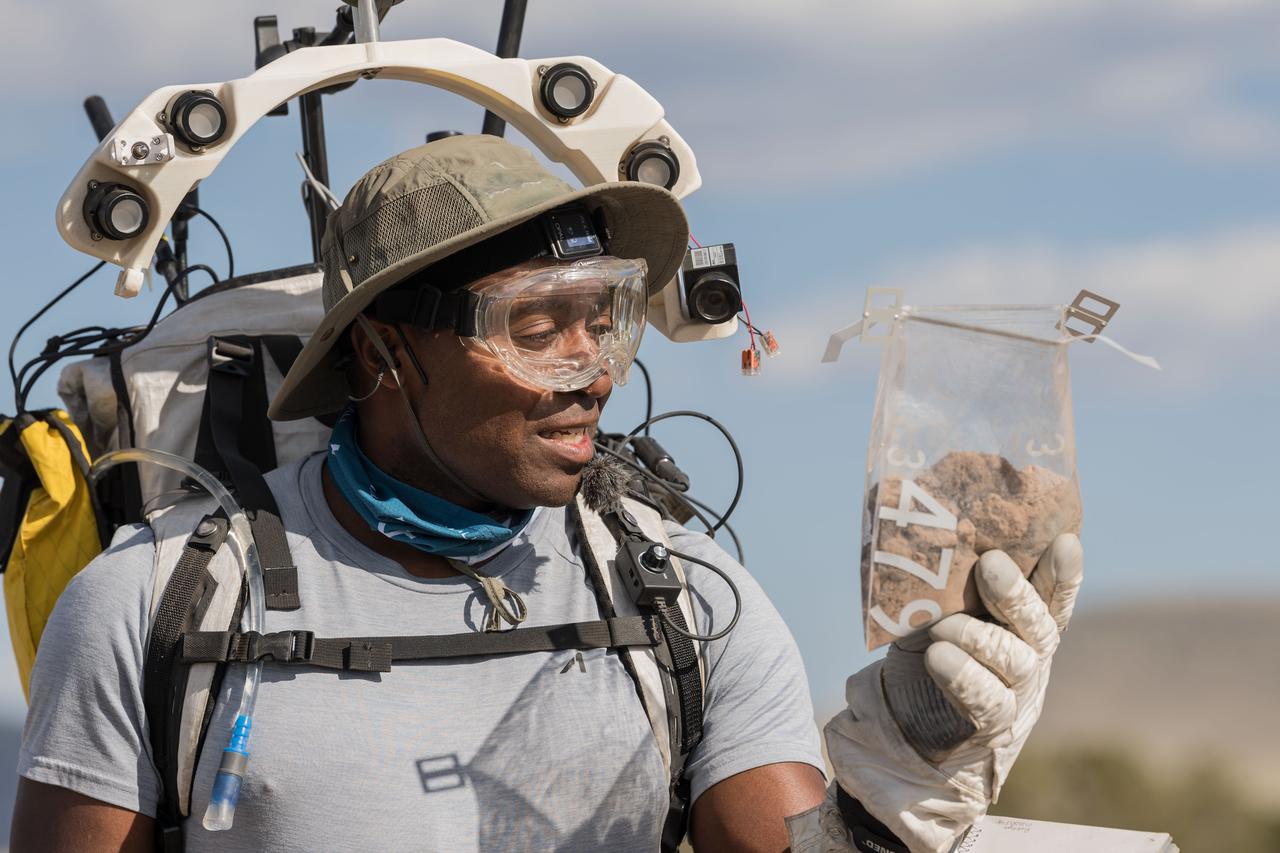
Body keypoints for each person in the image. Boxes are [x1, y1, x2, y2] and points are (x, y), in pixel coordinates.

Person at [11, 134, 1082, 853]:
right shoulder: (157, 606)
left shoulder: (689, 605)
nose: (593, 368)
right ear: (384, 350)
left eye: (605, 315)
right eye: (535, 324)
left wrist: (895, 783)